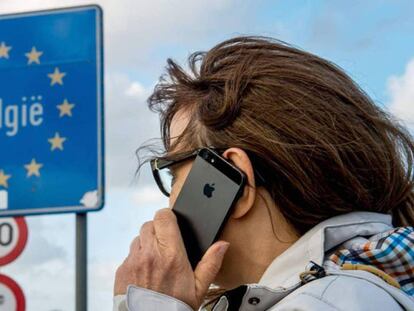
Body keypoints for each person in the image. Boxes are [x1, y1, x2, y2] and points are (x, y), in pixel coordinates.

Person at [113, 36, 414, 310]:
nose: (169, 205)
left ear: (234, 179)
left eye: (174, 176)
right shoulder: (354, 290)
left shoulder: (323, 304)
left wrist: (149, 304)